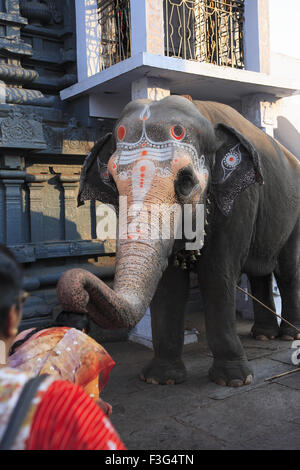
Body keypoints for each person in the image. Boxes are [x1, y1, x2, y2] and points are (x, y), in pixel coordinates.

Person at [0, 245, 126, 450]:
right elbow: (91, 401)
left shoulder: (29, 334)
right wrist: (99, 410)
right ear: (12, 318)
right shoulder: (83, 349)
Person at [9, 310, 115, 416]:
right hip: (39, 413)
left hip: (8, 396)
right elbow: (91, 400)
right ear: (83, 331)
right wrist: (106, 409)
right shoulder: (83, 345)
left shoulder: (28, 332)